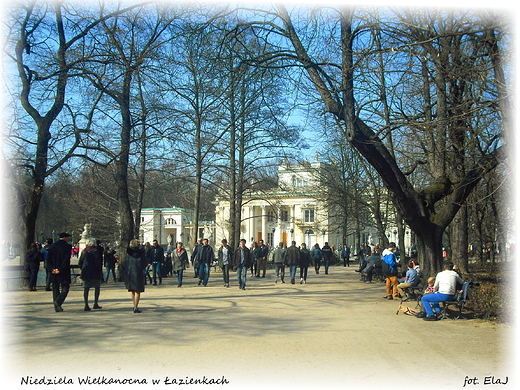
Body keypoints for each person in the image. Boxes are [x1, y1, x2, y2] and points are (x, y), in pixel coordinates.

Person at [47, 232, 73, 312]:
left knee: (55, 288)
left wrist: (52, 269)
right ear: (65, 238)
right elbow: (66, 259)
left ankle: (57, 306)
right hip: (63, 271)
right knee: (65, 288)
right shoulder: (67, 246)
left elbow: (48, 259)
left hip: (53, 270)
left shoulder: (52, 246)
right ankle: (58, 302)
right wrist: (60, 269)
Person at [120, 239, 148, 313]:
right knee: (137, 290)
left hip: (130, 272)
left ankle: (134, 305)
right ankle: (136, 306)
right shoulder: (141, 253)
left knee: (132, 290)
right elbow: (144, 263)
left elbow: (125, 263)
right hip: (138, 272)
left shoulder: (128, 253)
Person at [78, 237, 103, 311]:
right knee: (97, 288)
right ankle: (95, 303)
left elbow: (80, 262)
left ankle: (86, 304)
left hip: (86, 272)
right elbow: (98, 262)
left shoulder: (84, 251)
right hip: (95, 272)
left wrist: (82, 268)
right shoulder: (96, 251)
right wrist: (99, 271)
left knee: (86, 288)